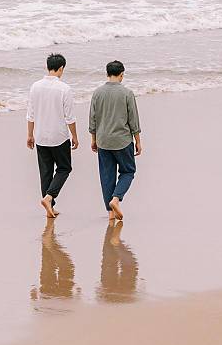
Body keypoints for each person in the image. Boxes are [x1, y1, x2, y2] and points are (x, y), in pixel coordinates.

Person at [27, 53, 78, 218]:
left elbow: (31, 114)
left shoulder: (35, 86)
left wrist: (30, 135)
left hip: (40, 135)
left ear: (47, 67)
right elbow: (69, 117)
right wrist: (75, 136)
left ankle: (49, 206)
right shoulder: (64, 89)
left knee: (46, 172)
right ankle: (49, 198)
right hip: (59, 136)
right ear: (61, 68)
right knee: (64, 168)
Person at [89, 60, 141, 220]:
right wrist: (138, 140)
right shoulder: (127, 93)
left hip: (103, 140)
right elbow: (133, 120)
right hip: (122, 140)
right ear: (121, 75)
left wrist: (93, 139)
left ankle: (110, 214)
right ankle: (116, 199)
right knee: (128, 171)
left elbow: (93, 119)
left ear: (107, 74)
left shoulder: (97, 93)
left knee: (106, 176)